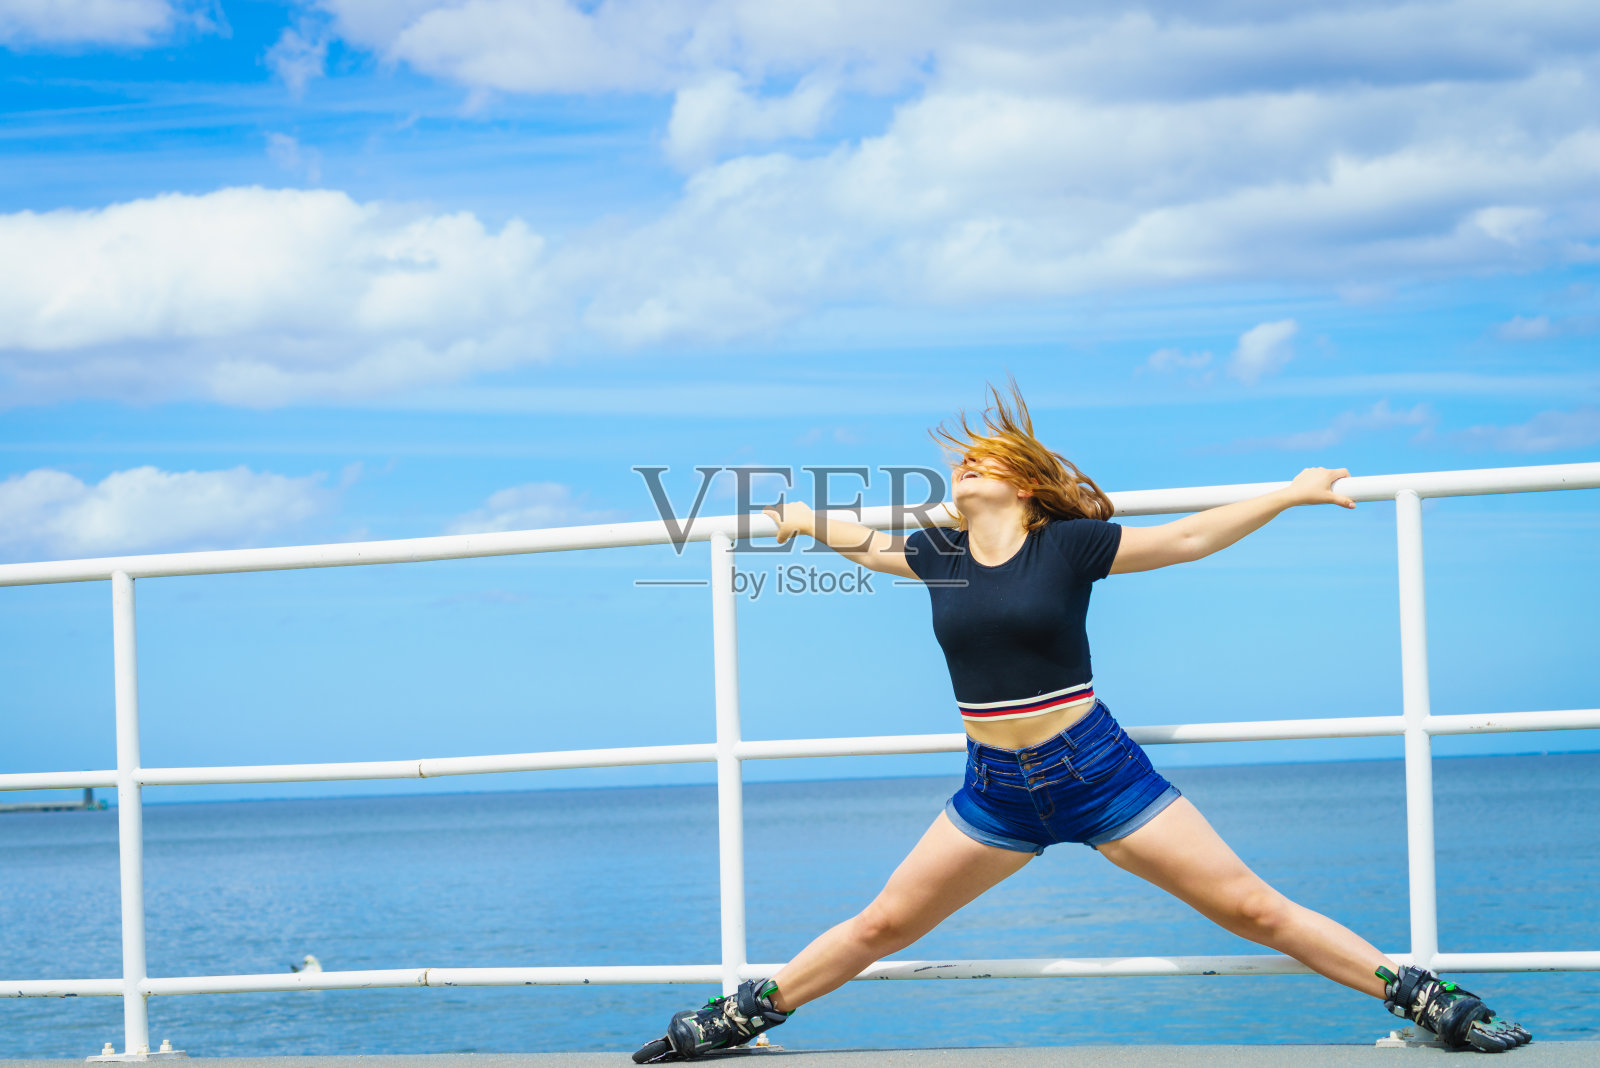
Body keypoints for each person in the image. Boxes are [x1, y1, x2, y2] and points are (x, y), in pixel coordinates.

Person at [634, 381, 1530, 1062]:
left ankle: (1426, 1000)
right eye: (963, 459)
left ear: (1023, 490)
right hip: (996, 794)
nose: (963, 466)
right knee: (881, 927)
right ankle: (736, 1019)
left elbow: (1184, 539)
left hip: (1097, 772)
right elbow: (863, 546)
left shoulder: (1067, 547)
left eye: (982, 459)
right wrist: (798, 516)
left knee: (1253, 908)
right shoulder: (939, 555)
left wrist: (1290, 493)